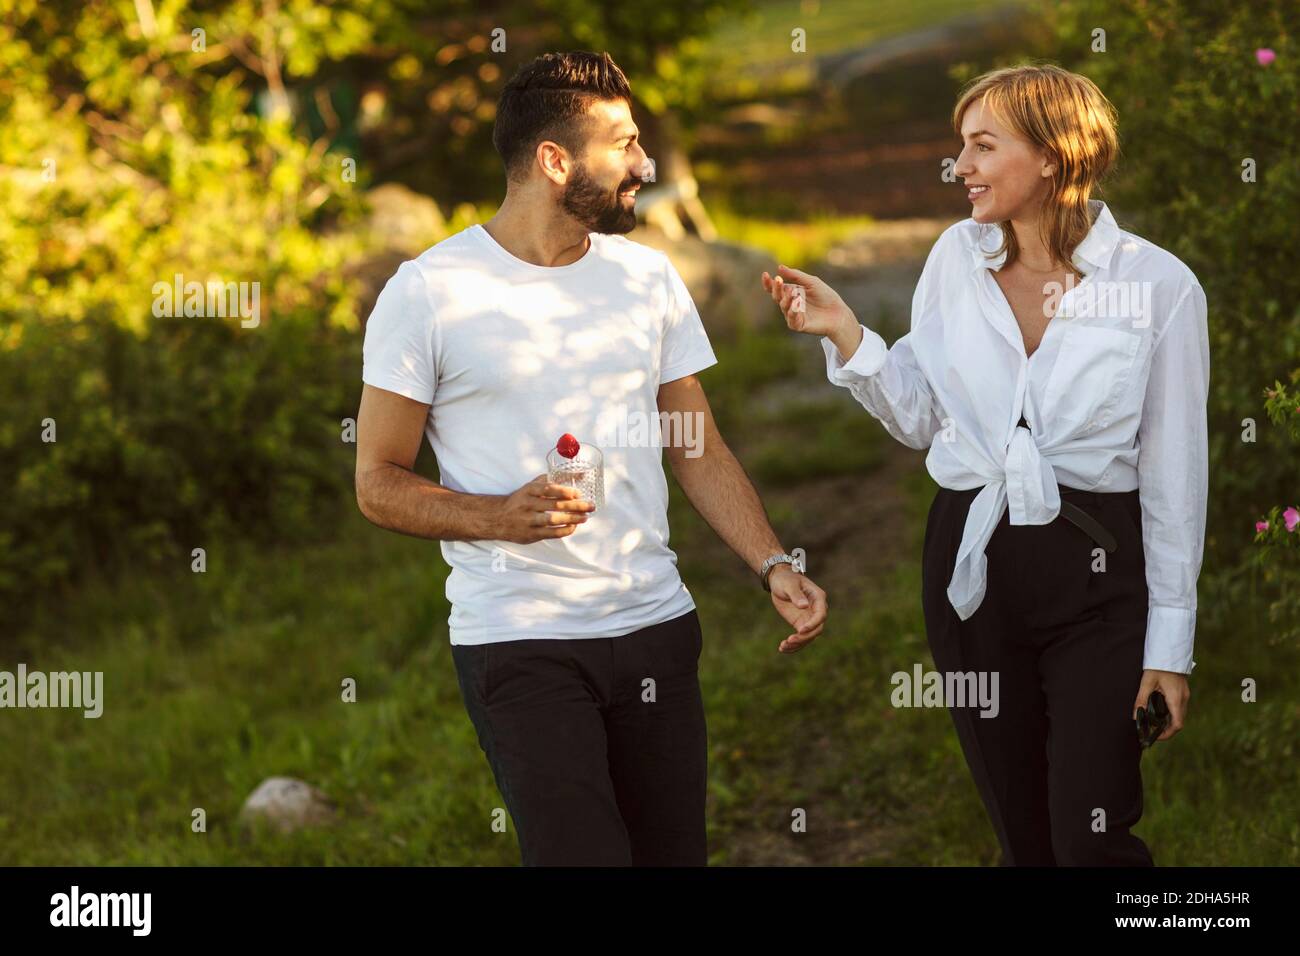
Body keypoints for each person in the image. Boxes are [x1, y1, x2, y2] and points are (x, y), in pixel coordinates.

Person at [355, 50, 827, 866]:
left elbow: (695, 443)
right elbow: (377, 482)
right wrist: (495, 517)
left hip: (656, 627)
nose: (645, 163)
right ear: (554, 161)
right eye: (625, 144)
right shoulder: (429, 293)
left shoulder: (647, 280)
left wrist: (771, 563)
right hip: (519, 640)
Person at [764, 63, 1208, 866]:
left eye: (980, 146)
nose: (959, 167)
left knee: (1091, 832)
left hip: (1098, 570)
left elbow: (1177, 476)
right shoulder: (952, 262)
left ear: (1051, 155)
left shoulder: (1159, 284)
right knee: (1022, 832)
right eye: (958, 147)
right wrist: (846, 334)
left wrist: (1167, 648)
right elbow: (921, 417)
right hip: (972, 562)